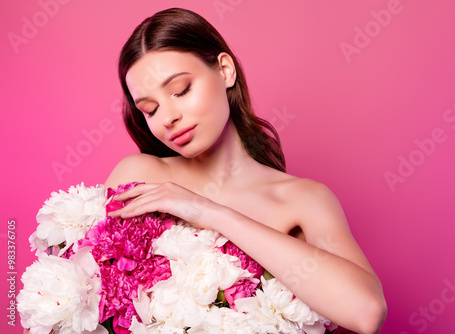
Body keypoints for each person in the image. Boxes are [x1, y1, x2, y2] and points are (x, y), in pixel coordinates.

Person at [104, 7, 387, 334]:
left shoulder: (302, 200)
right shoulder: (140, 175)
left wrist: (209, 212)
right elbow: (81, 296)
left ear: (224, 70)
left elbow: (366, 311)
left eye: (181, 90)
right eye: (150, 110)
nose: (167, 117)